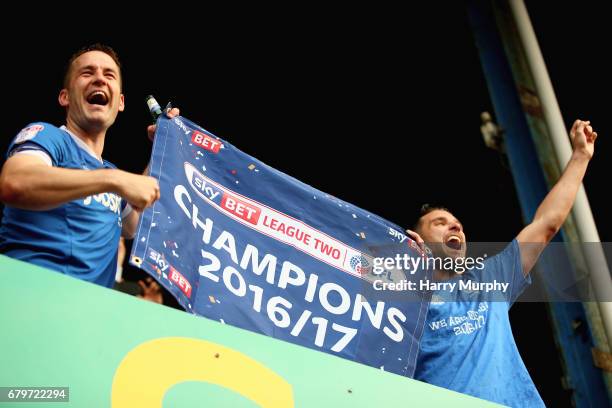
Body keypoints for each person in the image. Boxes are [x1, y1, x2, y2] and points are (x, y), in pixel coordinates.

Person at [406, 119, 598, 407]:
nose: (456, 228)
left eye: (457, 224)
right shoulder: (401, 300)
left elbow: (546, 223)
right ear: (415, 239)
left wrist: (580, 156)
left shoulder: (488, 280)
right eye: (440, 223)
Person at [0, 43, 178, 288]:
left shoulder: (111, 173)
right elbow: (15, 183)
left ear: (121, 102)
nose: (99, 80)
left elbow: (133, 225)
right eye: (87, 73)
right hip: (30, 298)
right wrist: (112, 181)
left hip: (89, 315)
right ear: (65, 96)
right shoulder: (47, 137)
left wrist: (162, 149)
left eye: (109, 74)